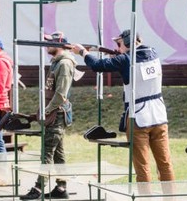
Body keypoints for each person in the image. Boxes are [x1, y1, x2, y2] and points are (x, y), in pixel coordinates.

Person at [71, 29, 174, 183]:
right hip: (159, 116)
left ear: (128, 42)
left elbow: (97, 65)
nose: (117, 48)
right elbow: (135, 62)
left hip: (138, 118)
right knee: (165, 165)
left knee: (142, 167)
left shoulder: (125, 60)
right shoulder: (153, 53)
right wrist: (119, 57)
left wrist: (83, 52)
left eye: (119, 44)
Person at [21, 32, 76, 201]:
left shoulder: (64, 64)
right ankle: (61, 188)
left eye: (50, 43)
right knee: (58, 154)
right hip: (54, 112)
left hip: (56, 114)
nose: (47, 46)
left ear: (59, 45)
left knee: (47, 154)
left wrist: (46, 110)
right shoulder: (57, 63)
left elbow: (60, 94)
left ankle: (38, 188)